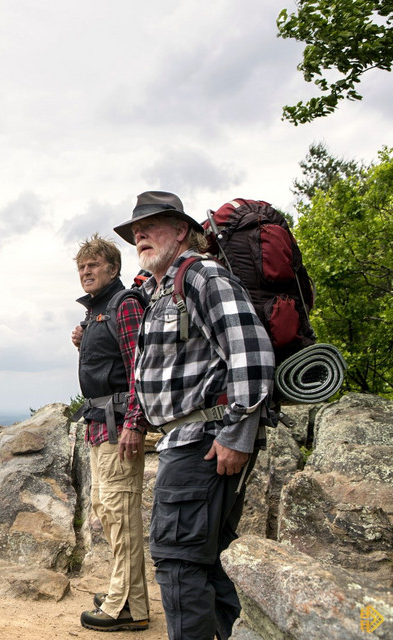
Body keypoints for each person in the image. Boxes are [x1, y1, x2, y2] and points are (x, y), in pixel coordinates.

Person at [113, 191, 274, 640]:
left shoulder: (203, 276)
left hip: (202, 443)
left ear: (182, 231)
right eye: (135, 232)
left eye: (152, 226)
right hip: (184, 441)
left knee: (178, 561)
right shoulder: (160, 290)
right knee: (208, 558)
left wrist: (237, 434)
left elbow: (252, 354)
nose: (140, 235)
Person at [72, 234, 151, 633]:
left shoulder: (124, 305)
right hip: (100, 424)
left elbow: (139, 368)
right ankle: (130, 598)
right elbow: (107, 365)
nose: (86, 272)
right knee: (107, 510)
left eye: (93, 265)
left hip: (120, 425)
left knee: (121, 514)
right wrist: (83, 342)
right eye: (81, 267)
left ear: (113, 268)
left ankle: (126, 608)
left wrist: (136, 423)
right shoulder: (97, 312)